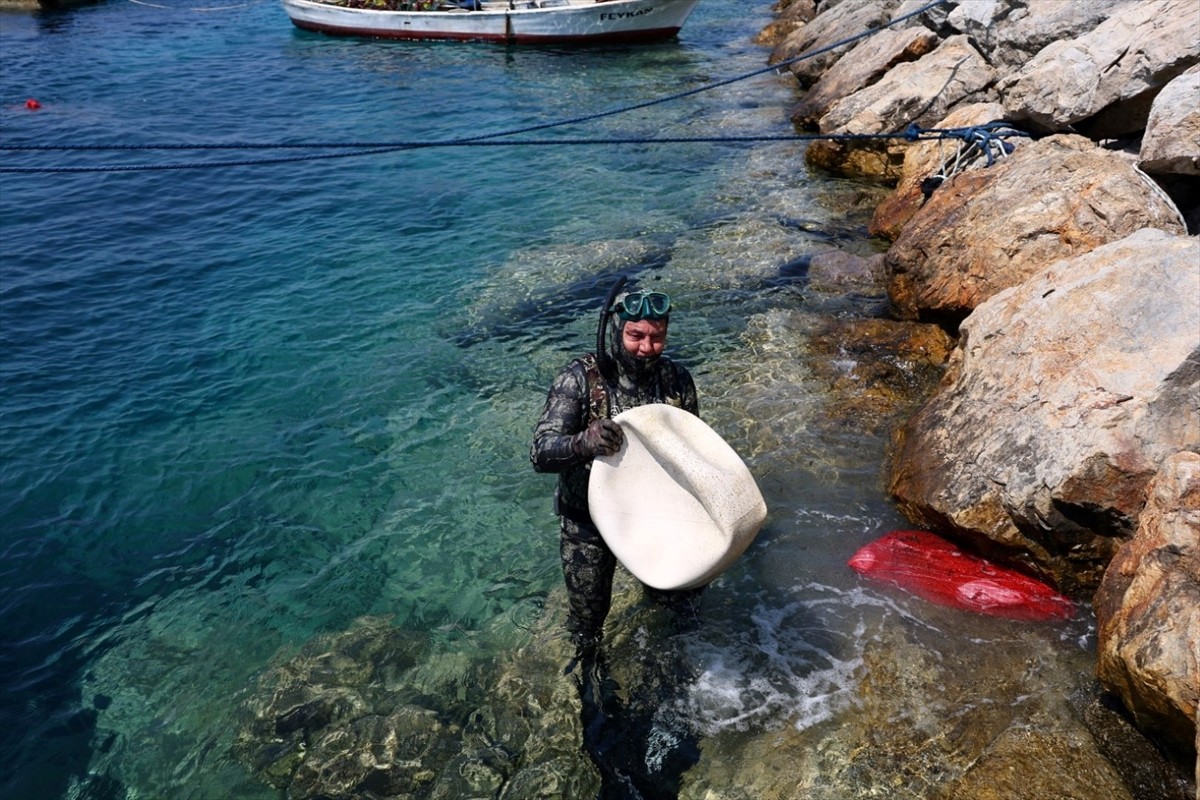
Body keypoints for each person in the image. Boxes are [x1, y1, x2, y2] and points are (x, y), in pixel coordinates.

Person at [530, 279, 702, 655]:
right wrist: (583, 442)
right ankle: (589, 689)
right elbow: (540, 453)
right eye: (635, 335)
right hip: (587, 523)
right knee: (588, 623)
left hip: (656, 519)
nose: (646, 348)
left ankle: (668, 673)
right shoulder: (579, 379)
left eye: (657, 337)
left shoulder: (676, 380)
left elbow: (696, 454)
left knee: (676, 604)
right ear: (614, 329)